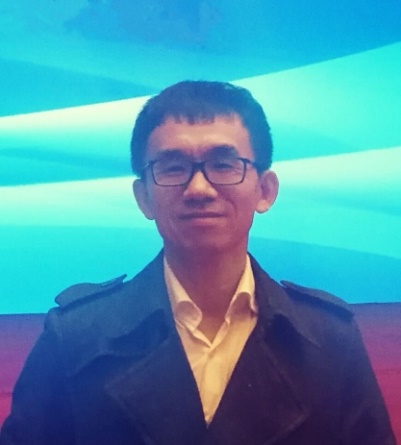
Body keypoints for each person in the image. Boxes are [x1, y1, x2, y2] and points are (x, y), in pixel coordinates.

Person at [0, 81, 396, 445]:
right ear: (143, 197)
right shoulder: (75, 338)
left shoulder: (328, 340)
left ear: (265, 190)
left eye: (224, 164)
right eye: (173, 168)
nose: (199, 188)